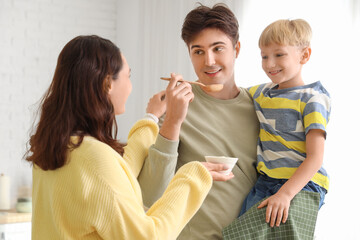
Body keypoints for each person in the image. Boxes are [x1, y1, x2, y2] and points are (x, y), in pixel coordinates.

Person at [24, 35, 232, 240]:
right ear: (108, 84)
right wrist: (193, 175)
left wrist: (152, 117)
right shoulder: (94, 159)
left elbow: (121, 173)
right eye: (128, 76)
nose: (130, 87)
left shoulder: (57, 148)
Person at [138, 4, 260, 239]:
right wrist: (172, 119)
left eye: (218, 48)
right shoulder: (174, 106)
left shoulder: (259, 107)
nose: (209, 61)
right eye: (198, 51)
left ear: (237, 49)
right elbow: (148, 195)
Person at [238, 19, 331, 228]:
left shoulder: (312, 98)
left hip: (304, 184)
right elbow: (232, 94)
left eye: (279, 55)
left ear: (304, 55)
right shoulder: (261, 93)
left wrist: (286, 194)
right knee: (242, 231)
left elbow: (316, 158)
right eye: (264, 56)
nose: (270, 64)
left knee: (283, 231)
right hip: (266, 182)